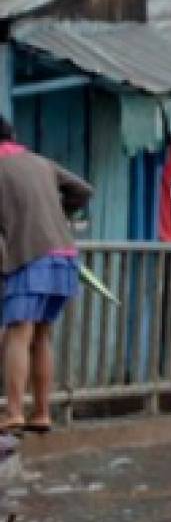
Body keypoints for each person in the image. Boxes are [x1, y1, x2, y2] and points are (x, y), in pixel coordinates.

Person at [0, 115, 91, 436]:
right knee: (42, 336)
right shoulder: (39, 162)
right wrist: (57, 215)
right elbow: (82, 190)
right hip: (64, 256)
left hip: (30, 256)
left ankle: (13, 412)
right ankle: (41, 412)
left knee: (17, 333)